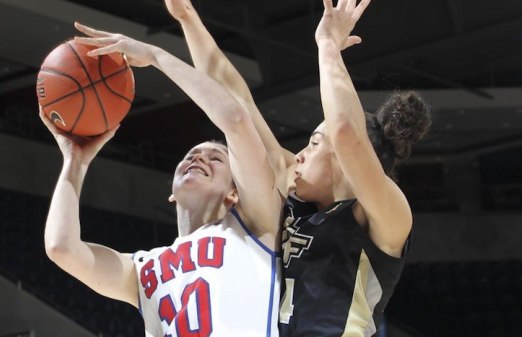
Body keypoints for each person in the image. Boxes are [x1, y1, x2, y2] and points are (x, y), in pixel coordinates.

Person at [164, 0, 431, 336]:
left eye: (315, 143)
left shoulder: (386, 215)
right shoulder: (298, 200)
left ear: (348, 163)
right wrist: (187, 19)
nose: (299, 155)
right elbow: (237, 99)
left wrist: (328, 47)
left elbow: (346, 133)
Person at [42, 22, 283, 337]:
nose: (197, 158)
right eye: (191, 156)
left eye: (215, 158)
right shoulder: (143, 269)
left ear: (234, 193)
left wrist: (155, 56)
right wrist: (75, 161)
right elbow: (62, 248)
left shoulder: (257, 226)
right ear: (172, 193)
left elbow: (236, 120)